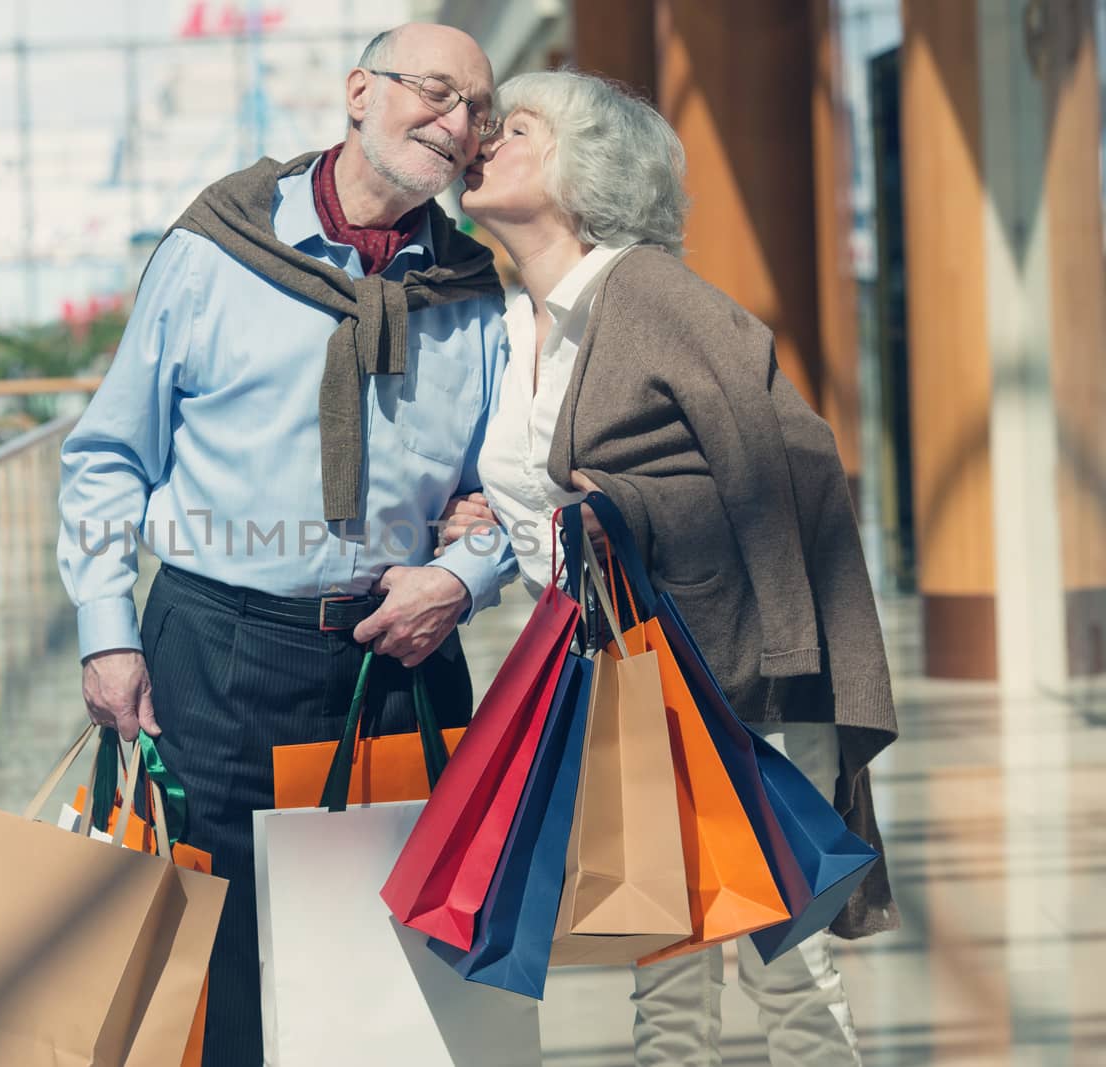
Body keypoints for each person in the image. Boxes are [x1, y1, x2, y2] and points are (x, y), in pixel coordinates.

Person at [57, 24, 515, 1065]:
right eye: (435, 92)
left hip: (396, 664)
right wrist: (104, 629)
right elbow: (105, 457)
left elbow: (502, 491)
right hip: (211, 653)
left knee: (390, 994)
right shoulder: (213, 249)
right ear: (359, 91)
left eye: (476, 110)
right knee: (204, 978)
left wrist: (462, 575)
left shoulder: (475, 290)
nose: (455, 124)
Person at [439, 70, 900, 1066]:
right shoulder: (518, 322)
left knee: (785, 957)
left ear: (584, 169)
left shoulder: (644, 288)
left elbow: (787, 452)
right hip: (631, 679)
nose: (483, 139)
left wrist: (781, 648)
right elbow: (553, 493)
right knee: (664, 949)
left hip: (740, 675)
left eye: (513, 128)